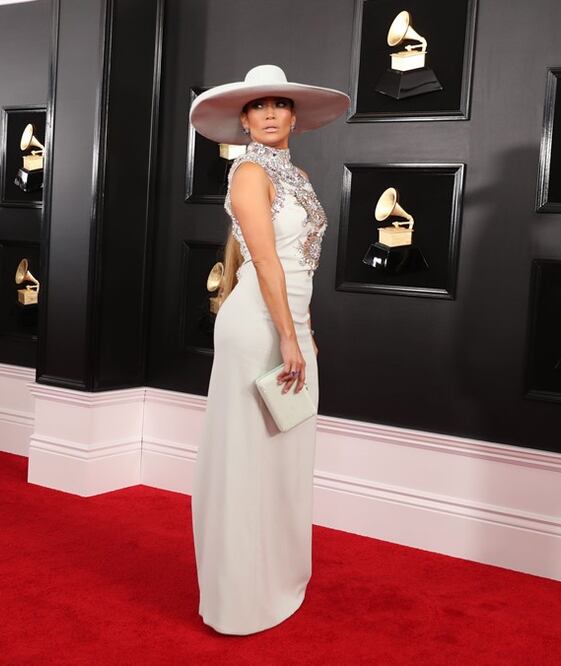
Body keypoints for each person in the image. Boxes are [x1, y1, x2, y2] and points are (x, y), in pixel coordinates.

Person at [188, 65, 349, 634]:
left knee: (283, 454)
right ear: (244, 119)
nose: (271, 113)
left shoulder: (297, 174)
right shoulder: (248, 172)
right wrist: (287, 333)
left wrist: (303, 329)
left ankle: (275, 576)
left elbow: (301, 265)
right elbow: (264, 260)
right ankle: (239, 597)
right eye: (259, 106)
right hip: (256, 324)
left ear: (294, 116)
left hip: (287, 320)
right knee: (247, 457)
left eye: (280, 103)